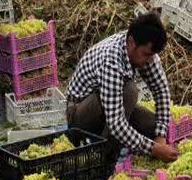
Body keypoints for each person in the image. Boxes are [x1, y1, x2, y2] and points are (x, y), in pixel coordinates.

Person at [66, 12, 179, 162]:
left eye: (152, 55)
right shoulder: (111, 60)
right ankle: (102, 159)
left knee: (152, 125)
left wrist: (160, 138)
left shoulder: (143, 53)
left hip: (109, 108)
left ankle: (120, 146)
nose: (150, 59)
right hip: (80, 115)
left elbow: (161, 91)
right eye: (146, 54)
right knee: (130, 91)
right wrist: (154, 149)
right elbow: (116, 125)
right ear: (131, 42)